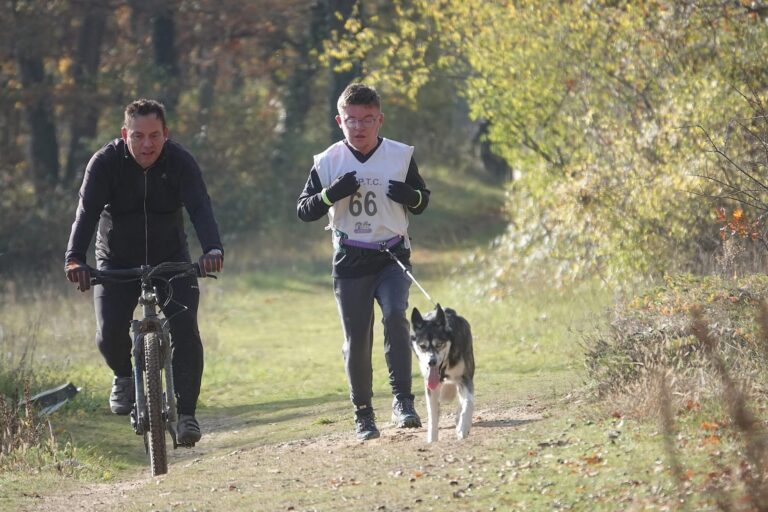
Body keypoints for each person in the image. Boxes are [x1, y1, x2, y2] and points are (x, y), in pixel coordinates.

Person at [64, 99, 223, 445]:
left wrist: (212, 248)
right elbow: (86, 213)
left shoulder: (180, 161)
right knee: (109, 332)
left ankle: (187, 414)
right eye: (138, 136)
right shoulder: (104, 163)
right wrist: (74, 258)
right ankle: (124, 375)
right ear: (125, 135)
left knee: (185, 330)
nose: (147, 144)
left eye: (154, 136)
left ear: (166, 134)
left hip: (171, 258)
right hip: (116, 259)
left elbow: (200, 207)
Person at [297, 83, 430, 440]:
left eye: (367, 119)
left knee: (395, 315)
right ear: (339, 121)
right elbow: (304, 210)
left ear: (380, 120)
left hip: (391, 256)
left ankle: (403, 401)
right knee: (357, 338)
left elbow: (423, 200)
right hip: (350, 259)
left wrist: (411, 196)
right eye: (351, 120)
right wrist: (330, 194)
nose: (359, 127)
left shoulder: (400, 156)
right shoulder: (328, 161)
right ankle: (364, 413)